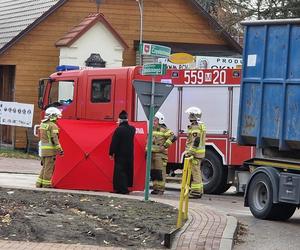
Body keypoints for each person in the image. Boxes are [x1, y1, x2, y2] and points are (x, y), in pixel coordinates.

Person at [109, 110, 136, 194]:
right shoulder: (132, 129)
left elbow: (114, 143)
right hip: (130, 155)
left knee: (119, 172)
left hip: (120, 155)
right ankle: (125, 188)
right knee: (127, 171)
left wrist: (111, 153)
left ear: (120, 120)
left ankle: (122, 189)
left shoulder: (119, 129)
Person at [36, 107, 63, 188]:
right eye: (57, 116)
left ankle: (39, 183)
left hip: (43, 150)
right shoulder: (53, 126)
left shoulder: (43, 124)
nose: (58, 118)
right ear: (53, 116)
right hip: (50, 151)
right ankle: (46, 184)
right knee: (49, 168)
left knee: (44, 167)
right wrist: (60, 149)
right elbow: (55, 139)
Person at [150, 112, 176, 195]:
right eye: (153, 120)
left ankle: (160, 189)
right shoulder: (152, 129)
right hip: (153, 154)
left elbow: (173, 137)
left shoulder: (164, 129)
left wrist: (165, 146)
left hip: (160, 155)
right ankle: (155, 188)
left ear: (160, 120)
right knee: (154, 172)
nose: (154, 122)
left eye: (155, 120)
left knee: (160, 172)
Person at [185, 106, 206, 198]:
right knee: (197, 171)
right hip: (199, 153)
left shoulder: (195, 126)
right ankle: (199, 191)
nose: (189, 116)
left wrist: (191, 152)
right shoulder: (200, 125)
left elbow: (196, 140)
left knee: (195, 172)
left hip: (195, 153)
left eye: (190, 114)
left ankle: (196, 192)